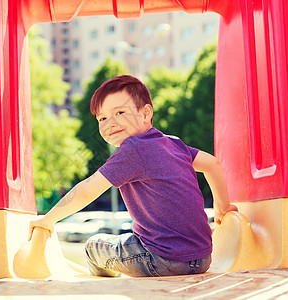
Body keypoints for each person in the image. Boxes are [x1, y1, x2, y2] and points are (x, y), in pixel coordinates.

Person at [28, 75, 238, 277]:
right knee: (129, 240)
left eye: (120, 112)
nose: (110, 122)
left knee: (94, 247)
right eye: (102, 118)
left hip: (161, 259)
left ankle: (109, 288)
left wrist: (47, 220)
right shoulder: (173, 144)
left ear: (146, 114)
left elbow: (86, 191)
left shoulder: (133, 149)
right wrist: (223, 206)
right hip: (202, 259)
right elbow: (212, 163)